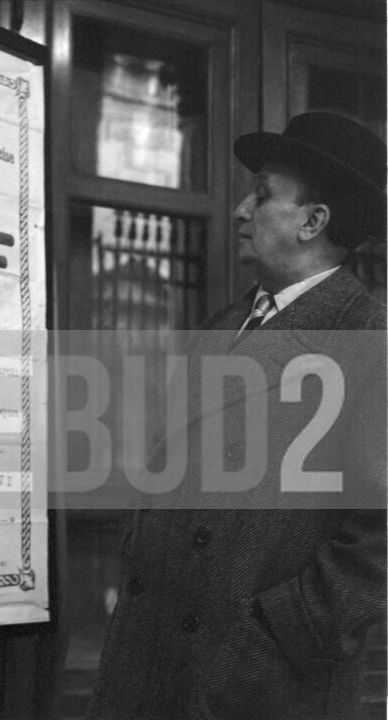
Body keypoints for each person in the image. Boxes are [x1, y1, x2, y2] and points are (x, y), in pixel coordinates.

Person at [85, 112, 387, 720]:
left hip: (255, 684)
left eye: (263, 194)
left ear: (313, 221)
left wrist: (278, 638)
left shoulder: (367, 338)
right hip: (150, 660)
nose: (241, 210)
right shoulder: (226, 324)